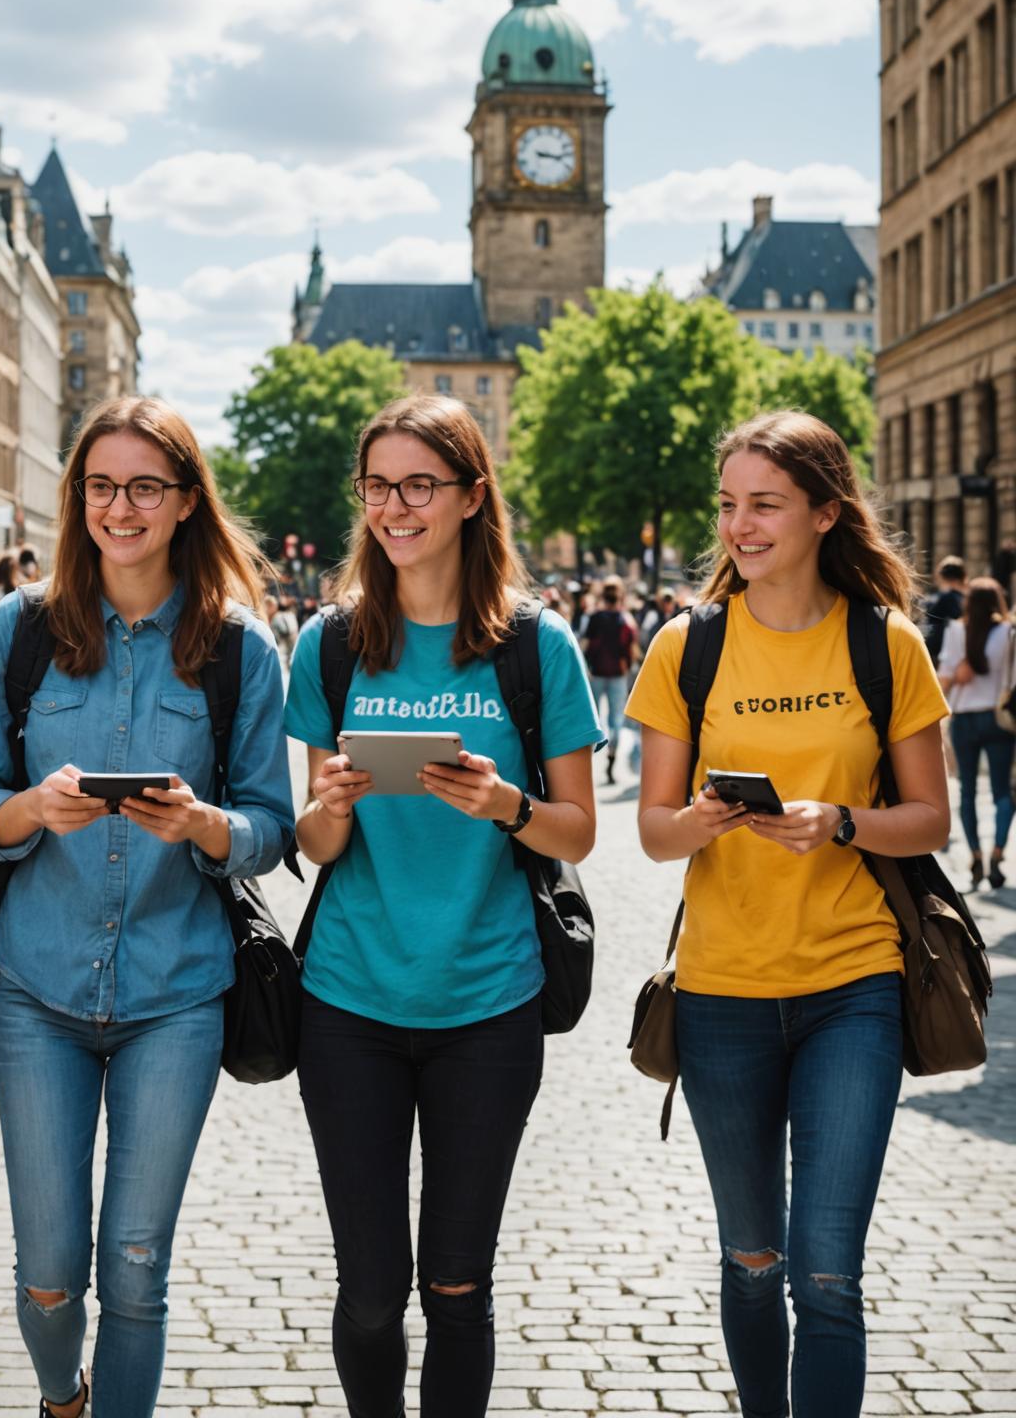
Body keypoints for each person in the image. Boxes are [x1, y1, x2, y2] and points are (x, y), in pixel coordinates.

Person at [0, 396, 295, 1418]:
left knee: (137, 1266)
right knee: (50, 1270)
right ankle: (64, 1397)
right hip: (38, 989)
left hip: (178, 993)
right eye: (101, 485)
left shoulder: (238, 649)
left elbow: (274, 824)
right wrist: (26, 809)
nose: (121, 506)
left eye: (146, 486)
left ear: (187, 501)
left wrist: (204, 828)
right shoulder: (22, 629)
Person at [627, 409, 950, 1417]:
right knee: (754, 1260)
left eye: (765, 504)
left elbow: (931, 819)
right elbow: (652, 834)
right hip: (722, 991)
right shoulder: (689, 647)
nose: (741, 526)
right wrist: (708, 818)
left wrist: (843, 822)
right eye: (729, 506)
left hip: (854, 986)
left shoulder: (883, 642)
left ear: (823, 512)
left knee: (826, 1273)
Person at [285, 394, 601, 1416]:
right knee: (373, 1293)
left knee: (456, 1288)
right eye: (378, 485)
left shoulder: (534, 646)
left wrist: (508, 805)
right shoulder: (330, 644)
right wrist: (328, 801)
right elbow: (315, 845)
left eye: (420, 484)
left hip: (489, 1003)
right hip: (348, 1002)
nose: (395, 505)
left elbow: (578, 831)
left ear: (472, 495)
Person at [937, 576, 1013, 890]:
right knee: (1003, 792)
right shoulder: (1009, 632)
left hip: (965, 719)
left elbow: (942, 679)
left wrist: (957, 676)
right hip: (998, 719)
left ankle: (975, 856)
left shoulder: (956, 631)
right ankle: (998, 852)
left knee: (967, 792)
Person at [582, 577, 638, 783]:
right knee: (616, 720)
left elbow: (585, 646)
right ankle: (611, 759)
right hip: (618, 675)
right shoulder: (626, 619)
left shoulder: (594, 617)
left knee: (593, 718)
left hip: (596, 673)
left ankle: (585, 763)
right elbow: (631, 648)